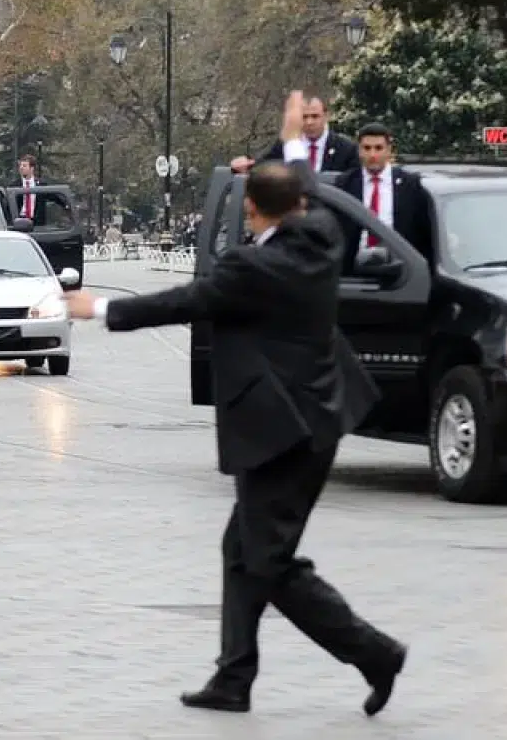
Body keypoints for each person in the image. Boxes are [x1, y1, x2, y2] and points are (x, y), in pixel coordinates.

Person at [64, 91, 407, 719]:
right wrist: (290, 145)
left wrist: (102, 308)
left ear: (252, 211)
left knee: (270, 562)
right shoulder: (323, 238)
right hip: (317, 419)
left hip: (281, 428)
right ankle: (234, 676)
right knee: (241, 550)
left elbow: (182, 302)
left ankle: (374, 652)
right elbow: (309, 188)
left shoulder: (254, 268)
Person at [333, 122, 432, 268]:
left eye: (378, 148)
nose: (372, 155)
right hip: (353, 270)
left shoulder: (410, 185)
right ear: (359, 150)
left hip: (400, 271)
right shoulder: (345, 184)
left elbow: (423, 233)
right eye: (367, 148)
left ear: (389, 150)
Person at [230, 95, 359, 175]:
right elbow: (266, 165)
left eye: (315, 116)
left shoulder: (346, 149)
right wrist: (245, 165)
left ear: (326, 116)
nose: (309, 122)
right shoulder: (286, 144)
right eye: (304, 117)